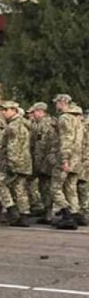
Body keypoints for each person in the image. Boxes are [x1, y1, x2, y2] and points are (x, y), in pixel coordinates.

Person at [0, 101, 32, 227]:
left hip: (13, 162)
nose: (3, 112)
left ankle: (12, 210)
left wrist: (12, 164)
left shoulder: (13, 126)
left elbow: (13, 147)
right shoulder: (23, 124)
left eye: (6, 110)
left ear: (14, 110)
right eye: (3, 110)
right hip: (24, 162)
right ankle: (24, 215)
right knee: (19, 189)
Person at [50, 94, 84, 230]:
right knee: (71, 189)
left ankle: (67, 214)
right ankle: (75, 214)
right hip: (77, 158)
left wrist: (64, 160)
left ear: (63, 102)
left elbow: (66, 140)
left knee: (55, 188)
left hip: (67, 158)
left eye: (57, 103)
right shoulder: (77, 118)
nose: (56, 105)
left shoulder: (64, 118)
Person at [28, 102, 56, 224]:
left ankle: (48, 213)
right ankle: (46, 211)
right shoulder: (38, 124)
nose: (32, 115)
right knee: (42, 186)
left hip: (46, 161)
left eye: (34, 112)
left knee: (47, 187)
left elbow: (44, 145)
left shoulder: (47, 124)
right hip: (41, 160)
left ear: (40, 111)